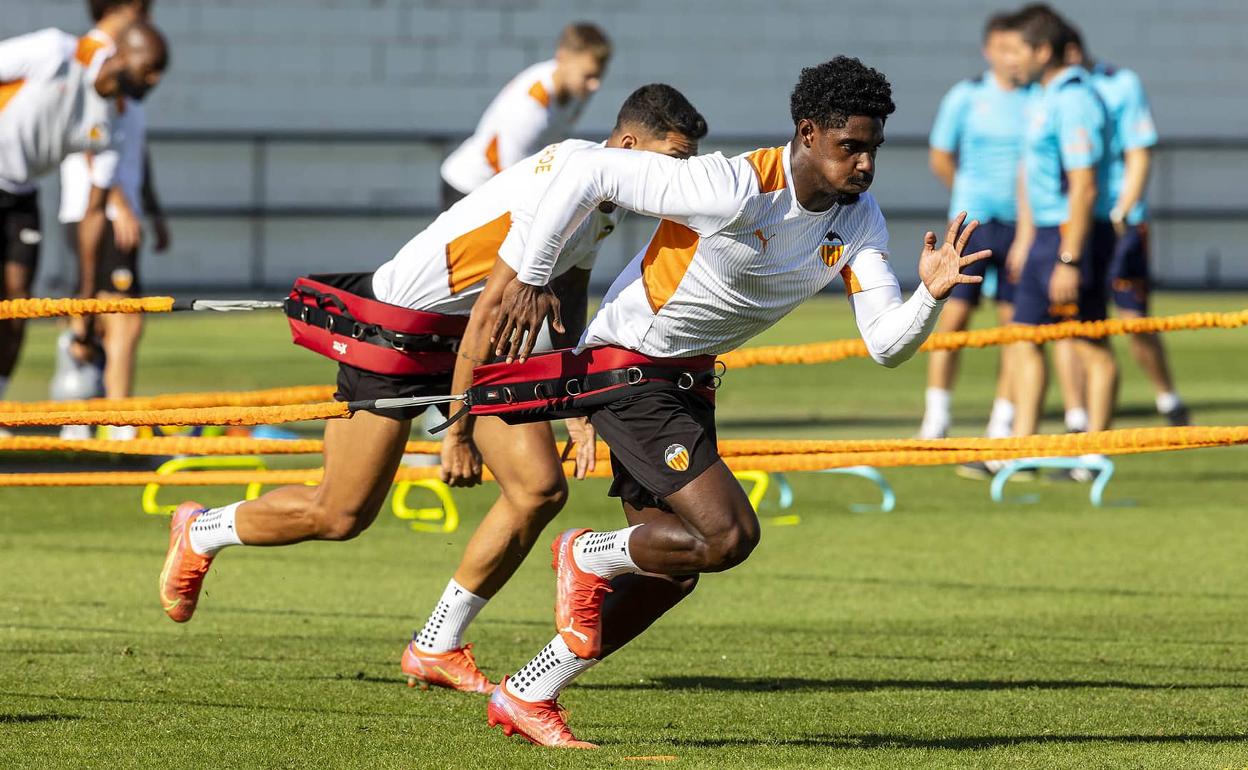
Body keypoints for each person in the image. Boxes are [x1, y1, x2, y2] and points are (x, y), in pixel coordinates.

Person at [482, 56, 989, 748]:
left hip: (686, 383)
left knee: (675, 570)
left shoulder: (860, 220)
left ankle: (528, 690)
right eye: (851, 147)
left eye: (873, 149)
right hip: (629, 368)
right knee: (729, 536)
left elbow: (885, 344)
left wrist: (928, 292)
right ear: (807, 134)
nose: (866, 165)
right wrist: (535, 274)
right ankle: (585, 553)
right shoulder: (733, 184)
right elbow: (586, 171)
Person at [155, 87, 709, 709]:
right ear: (630, 146)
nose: (682, 178)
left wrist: (577, 402)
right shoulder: (564, 187)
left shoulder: (608, 198)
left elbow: (568, 290)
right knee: (341, 515)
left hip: (471, 340)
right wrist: (457, 432)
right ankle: (202, 530)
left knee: (538, 491)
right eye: (675, 160)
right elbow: (492, 309)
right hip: (399, 330)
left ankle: (436, 644)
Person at [0, 17, 167, 404]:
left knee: (17, 302)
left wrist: (86, 297)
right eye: (151, 69)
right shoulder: (54, 52)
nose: (155, 80)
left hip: (21, 194)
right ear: (123, 55)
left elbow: (94, 212)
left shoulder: (113, 124)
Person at [1052, 23, 1188, 434]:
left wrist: (1123, 211)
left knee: (1133, 320)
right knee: (1069, 321)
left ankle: (1169, 399)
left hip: (1117, 223)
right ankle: (1078, 419)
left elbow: (1139, 153)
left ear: (1069, 51)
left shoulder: (1121, 84)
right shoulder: (1052, 92)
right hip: (1073, 221)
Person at [1000, 5, 1117, 453]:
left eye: (1016, 50)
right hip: (1044, 235)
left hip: (1074, 235)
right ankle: (1021, 450)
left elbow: (1084, 187)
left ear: (1042, 51)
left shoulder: (1075, 99)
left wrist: (1069, 258)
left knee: (1089, 345)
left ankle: (1094, 453)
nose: (1008, 60)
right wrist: (1027, 240)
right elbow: (1033, 175)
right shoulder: (1040, 97)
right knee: (1024, 336)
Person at [58, 0, 170, 441]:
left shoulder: (134, 56)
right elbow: (89, 133)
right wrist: (119, 203)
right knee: (123, 316)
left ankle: (81, 416)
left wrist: (151, 207)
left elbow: (134, 148)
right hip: (98, 208)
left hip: (115, 208)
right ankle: (114, 422)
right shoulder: (103, 55)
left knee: (105, 313)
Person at [920, 11, 1032, 450]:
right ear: (990, 51)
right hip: (973, 226)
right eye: (1005, 50)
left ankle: (1002, 420)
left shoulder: (1037, 99)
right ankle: (937, 415)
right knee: (954, 318)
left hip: (1023, 228)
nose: (1012, 59)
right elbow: (941, 156)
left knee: (1014, 326)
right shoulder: (966, 97)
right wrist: (970, 195)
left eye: (1018, 49)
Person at [439, 22, 611, 210]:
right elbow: (511, 178)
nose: (595, 85)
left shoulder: (578, 90)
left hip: (500, 187)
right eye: (588, 75)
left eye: (599, 76)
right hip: (471, 188)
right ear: (562, 58)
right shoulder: (529, 106)